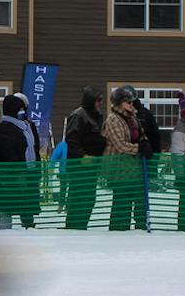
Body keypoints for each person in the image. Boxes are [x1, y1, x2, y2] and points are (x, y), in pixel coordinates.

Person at [0, 93, 43, 228]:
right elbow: (7, 154)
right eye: (19, 108)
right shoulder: (5, 128)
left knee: (27, 212)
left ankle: (29, 232)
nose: (22, 111)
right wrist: (20, 173)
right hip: (10, 180)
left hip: (28, 177)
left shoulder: (27, 126)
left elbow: (35, 148)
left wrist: (37, 170)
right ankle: (5, 239)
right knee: (6, 213)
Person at [60, 87, 108, 230]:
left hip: (92, 166)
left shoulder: (97, 116)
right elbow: (71, 140)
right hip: (78, 167)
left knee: (89, 199)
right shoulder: (78, 115)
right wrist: (81, 156)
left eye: (101, 100)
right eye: (98, 100)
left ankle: (82, 226)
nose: (100, 103)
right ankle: (73, 227)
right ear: (90, 100)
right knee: (77, 199)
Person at [101, 86, 145, 231]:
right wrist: (139, 149)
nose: (132, 106)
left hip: (133, 170)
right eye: (129, 103)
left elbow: (139, 136)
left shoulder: (132, 118)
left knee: (134, 203)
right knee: (122, 205)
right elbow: (120, 145)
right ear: (119, 103)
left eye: (133, 102)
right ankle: (118, 232)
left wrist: (145, 143)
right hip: (119, 170)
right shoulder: (113, 120)